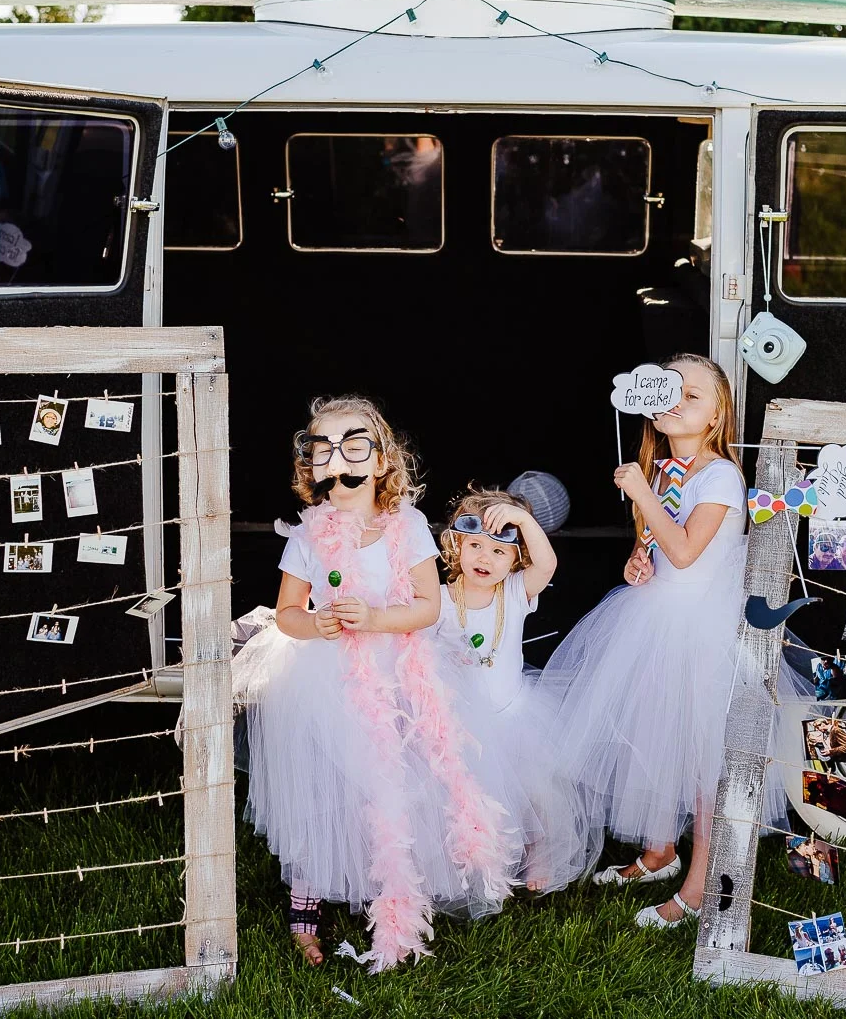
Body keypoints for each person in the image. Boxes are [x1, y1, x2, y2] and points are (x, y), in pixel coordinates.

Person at [232, 397, 521, 971]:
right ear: (310, 465)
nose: (339, 460)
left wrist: (375, 618)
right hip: (324, 681)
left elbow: (427, 606)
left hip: (400, 679)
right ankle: (305, 912)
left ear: (382, 460)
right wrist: (314, 623)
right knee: (318, 796)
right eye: (324, 448)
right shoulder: (307, 537)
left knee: (391, 791)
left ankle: (393, 907)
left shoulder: (407, 527)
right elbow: (288, 610)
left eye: (354, 445)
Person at [544, 354, 776, 930]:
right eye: (669, 391)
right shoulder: (664, 470)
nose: (677, 402)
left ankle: (697, 887)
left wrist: (642, 496)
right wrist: (634, 559)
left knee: (699, 763)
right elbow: (655, 552)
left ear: (719, 413)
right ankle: (658, 851)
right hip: (654, 616)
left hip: (698, 631)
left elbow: (687, 551)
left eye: (693, 396)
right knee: (650, 739)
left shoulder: (719, 475)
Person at [433, 488, 597, 894]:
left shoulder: (514, 593)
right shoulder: (437, 600)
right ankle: (476, 859)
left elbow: (549, 563)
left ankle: (541, 848)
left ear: (516, 559)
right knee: (471, 796)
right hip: (461, 722)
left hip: (514, 714)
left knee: (537, 790)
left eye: (499, 552)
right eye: (475, 546)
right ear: (456, 544)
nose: (484, 559)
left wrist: (524, 520)